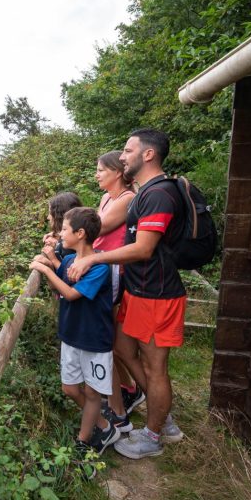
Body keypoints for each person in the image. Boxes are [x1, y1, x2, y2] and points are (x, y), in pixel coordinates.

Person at [68, 129, 186, 459]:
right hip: (139, 290)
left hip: (157, 294)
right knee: (121, 347)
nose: (122, 156)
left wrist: (94, 257)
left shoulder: (158, 194)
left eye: (127, 149)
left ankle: (155, 434)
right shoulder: (146, 192)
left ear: (147, 155)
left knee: (155, 367)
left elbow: (145, 248)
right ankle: (160, 414)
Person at [30, 207, 120, 471]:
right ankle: (103, 425)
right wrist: (49, 262)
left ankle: (83, 440)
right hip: (71, 336)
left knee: (92, 393)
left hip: (94, 340)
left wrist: (45, 270)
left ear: (80, 234)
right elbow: (61, 279)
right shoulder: (70, 262)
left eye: (65, 230)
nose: (60, 233)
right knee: (70, 388)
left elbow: (70, 294)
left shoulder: (99, 267)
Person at [92, 152, 144, 432]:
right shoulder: (107, 198)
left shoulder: (126, 199)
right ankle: (128, 389)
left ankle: (118, 409)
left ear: (116, 172)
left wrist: (66, 234)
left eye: (101, 170)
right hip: (105, 270)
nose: (97, 174)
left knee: (108, 340)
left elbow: (95, 229)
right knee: (112, 343)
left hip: (115, 274)